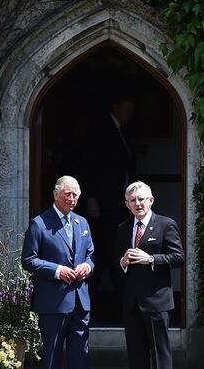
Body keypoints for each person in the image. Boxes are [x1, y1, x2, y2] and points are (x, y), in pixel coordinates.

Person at [21, 175, 95, 369]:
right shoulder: (39, 223)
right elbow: (28, 260)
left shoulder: (82, 223)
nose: (72, 199)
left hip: (80, 302)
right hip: (53, 303)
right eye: (67, 194)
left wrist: (87, 266)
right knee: (52, 357)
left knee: (80, 356)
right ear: (55, 195)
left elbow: (91, 255)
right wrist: (58, 270)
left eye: (76, 195)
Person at [116, 181, 185, 369]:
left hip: (157, 303)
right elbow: (116, 260)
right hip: (132, 303)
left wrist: (151, 259)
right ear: (127, 204)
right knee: (136, 357)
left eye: (141, 199)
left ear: (151, 200)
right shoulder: (123, 228)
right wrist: (123, 262)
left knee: (160, 355)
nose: (138, 204)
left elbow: (179, 257)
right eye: (133, 200)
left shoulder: (166, 224)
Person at [81, 94, 135, 316]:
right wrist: (91, 197)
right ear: (116, 106)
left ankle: (121, 304)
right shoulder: (100, 130)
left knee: (113, 251)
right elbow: (88, 164)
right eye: (127, 109)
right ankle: (88, 303)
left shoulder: (124, 132)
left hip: (118, 204)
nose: (130, 114)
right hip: (102, 203)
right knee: (103, 252)